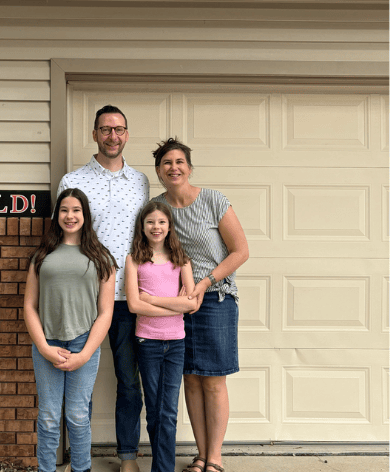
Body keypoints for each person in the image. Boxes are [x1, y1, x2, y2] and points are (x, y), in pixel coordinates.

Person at [58, 105, 150, 472]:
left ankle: (128, 456)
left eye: (120, 129)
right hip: (85, 298)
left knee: (129, 381)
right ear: (94, 134)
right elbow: (66, 235)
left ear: (126, 135)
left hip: (130, 299)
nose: (113, 135)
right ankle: (80, 459)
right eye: (106, 129)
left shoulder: (141, 181)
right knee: (81, 379)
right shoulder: (73, 180)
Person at [151, 138, 249, 472]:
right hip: (178, 304)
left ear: (189, 168)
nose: (173, 167)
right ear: (159, 172)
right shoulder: (158, 208)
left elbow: (240, 251)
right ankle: (202, 454)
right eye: (166, 163)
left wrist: (205, 282)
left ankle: (216, 458)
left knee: (213, 380)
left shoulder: (212, 201)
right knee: (190, 380)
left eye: (179, 161)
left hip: (215, 300)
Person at [24, 187, 117, 472]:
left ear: (85, 215)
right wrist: (43, 347)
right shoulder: (42, 255)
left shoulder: (102, 258)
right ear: (57, 215)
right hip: (47, 343)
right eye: (64, 210)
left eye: (76, 210)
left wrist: (85, 354)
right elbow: (29, 305)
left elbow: (105, 313)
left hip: (83, 344)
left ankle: (81, 468)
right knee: (50, 417)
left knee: (78, 416)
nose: (70, 215)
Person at [125, 201, 197, 472]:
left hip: (176, 343)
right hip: (148, 342)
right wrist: (172, 304)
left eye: (161, 222)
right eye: (150, 222)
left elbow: (191, 304)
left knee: (168, 413)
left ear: (169, 226)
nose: (156, 227)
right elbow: (134, 305)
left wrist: (152, 300)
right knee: (155, 411)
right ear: (142, 227)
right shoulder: (134, 259)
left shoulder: (181, 259)